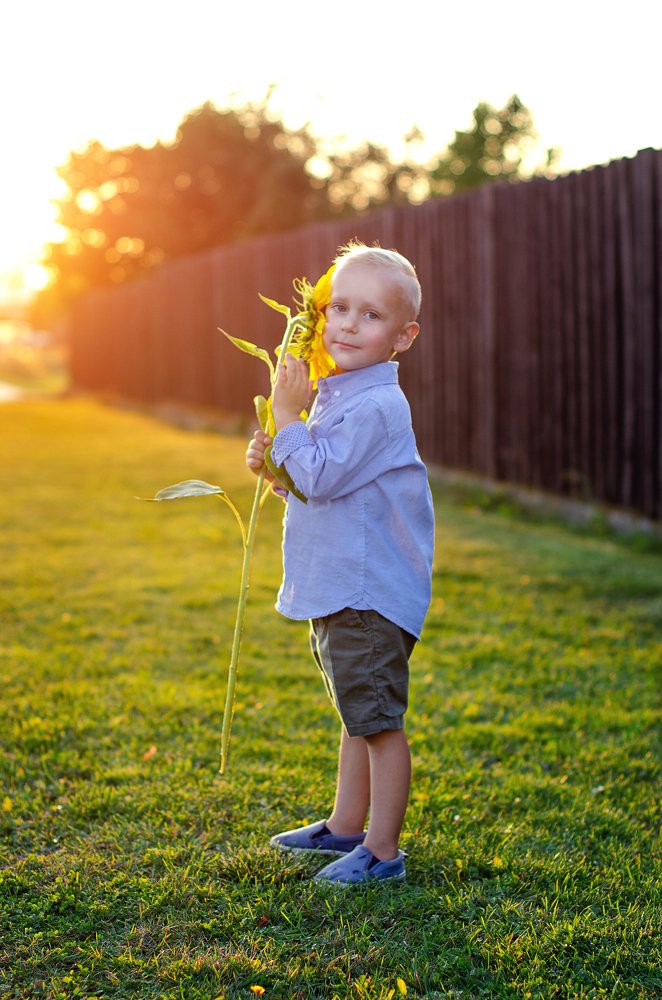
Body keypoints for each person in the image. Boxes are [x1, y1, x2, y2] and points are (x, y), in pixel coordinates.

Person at [245, 242, 435, 884]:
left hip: (367, 592)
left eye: (372, 315)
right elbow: (310, 480)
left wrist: (289, 415)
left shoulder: (379, 406)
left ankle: (382, 853)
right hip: (342, 588)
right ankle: (346, 827)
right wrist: (274, 463)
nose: (349, 324)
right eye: (339, 308)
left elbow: (323, 478)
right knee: (357, 715)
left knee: (378, 723)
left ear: (403, 336)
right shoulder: (338, 394)